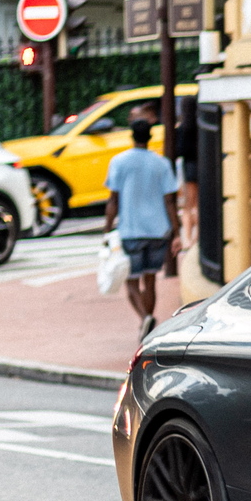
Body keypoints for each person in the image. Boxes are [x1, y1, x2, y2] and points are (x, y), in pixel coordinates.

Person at [104, 114, 180, 339]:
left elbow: (113, 200)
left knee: (131, 282)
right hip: (158, 230)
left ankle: (144, 318)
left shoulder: (119, 161)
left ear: (131, 136)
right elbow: (170, 201)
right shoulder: (162, 163)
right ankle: (146, 321)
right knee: (151, 280)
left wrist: (107, 227)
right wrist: (176, 231)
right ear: (149, 137)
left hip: (131, 230)